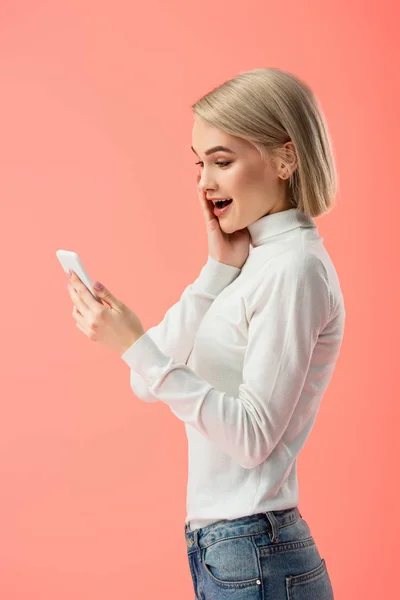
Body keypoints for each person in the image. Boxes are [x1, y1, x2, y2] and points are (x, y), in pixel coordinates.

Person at [121, 67, 345, 599]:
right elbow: (143, 383)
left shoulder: (295, 268)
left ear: (287, 159)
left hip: (254, 550)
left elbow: (251, 439)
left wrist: (133, 341)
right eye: (200, 164)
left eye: (222, 161)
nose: (204, 182)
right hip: (227, 549)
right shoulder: (256, 263)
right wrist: (215, 272)